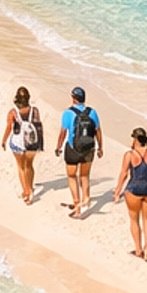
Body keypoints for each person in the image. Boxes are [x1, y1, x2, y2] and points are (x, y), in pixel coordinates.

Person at [114, 128, 147, 259]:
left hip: (133, 190)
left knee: (134, 220)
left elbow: (124, 174)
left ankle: (138, 249)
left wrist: (118, 190)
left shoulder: (130, 155)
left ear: (135, 140)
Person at [56, 86, 103, 217]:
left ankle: (76, 203)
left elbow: (63, 132)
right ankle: (86, 199)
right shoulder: (92, 112)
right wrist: (100, 147)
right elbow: (98, 131)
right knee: (84, 175)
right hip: (89, 148)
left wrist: (58, 147)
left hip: (72, 148)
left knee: (72, 176)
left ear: (74, 98)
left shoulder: (67, 113)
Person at [2, 85, 44, 203]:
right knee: (29, 166)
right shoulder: (34, 111)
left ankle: (26, 192)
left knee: (21, 167)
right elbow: (38, 126)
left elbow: (9, 128)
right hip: (32, 142)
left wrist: (4, 140)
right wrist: (40, 143)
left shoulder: (13, 112)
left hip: (18, 142)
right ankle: (30, 189)